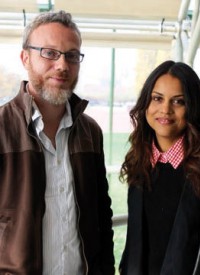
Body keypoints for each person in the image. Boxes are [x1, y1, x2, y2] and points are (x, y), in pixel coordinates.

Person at [0, 10, 115, 275]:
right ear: (25, 57)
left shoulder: (90, 132)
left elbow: (101, 217)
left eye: (72, 55)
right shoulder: (2, 129)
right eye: (49, 53)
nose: (62, 65)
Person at [119, 60, 200, 275]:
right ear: (146, 103)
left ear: (192, 107)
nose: (165, 109)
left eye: (178, 101)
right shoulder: (139, 159)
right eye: (157, 98)